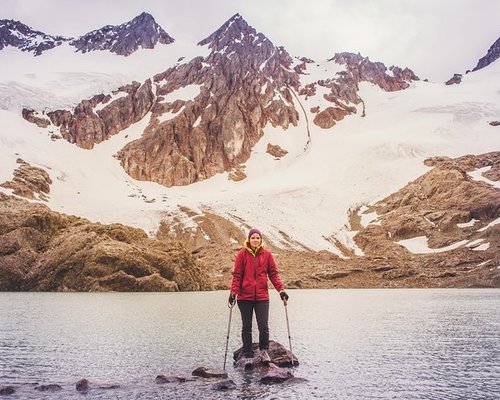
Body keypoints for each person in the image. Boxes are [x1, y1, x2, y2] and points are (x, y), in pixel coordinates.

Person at [228, 228, 289, 367]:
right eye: (253, 237)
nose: (255, 240)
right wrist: (233, 293)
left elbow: (273, 274)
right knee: (247, 327)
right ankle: (248, 354)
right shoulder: (242, 255)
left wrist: (281, 290)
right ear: (248, 239)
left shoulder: (267, 255)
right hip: (245, 297)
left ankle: (263, 351)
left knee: (263, 326)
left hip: (262, 297)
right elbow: (237, 276)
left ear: (261, 240)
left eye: (258, 238)